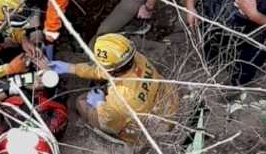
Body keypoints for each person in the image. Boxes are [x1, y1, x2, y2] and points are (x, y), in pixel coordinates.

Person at [48, 33, 179, 144]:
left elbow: (108, 123)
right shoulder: (135, 57)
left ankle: (96, 129)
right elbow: (104, 71)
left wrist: (99, 103)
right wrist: (70, 68)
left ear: (113, 70)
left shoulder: (120, 98)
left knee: (81, 101)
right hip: (168, 100)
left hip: (151, 128)